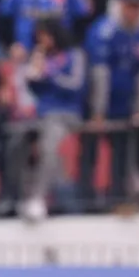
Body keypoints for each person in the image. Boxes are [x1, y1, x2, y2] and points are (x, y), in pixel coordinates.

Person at [83, 0, 139, 209]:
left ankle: (118, 196)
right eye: (129, 6)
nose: (132, 12)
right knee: (90, 150)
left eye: (137, 7)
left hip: (127, 102)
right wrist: (98, 110)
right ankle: (86, 199)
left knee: (123, 151)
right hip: (96, 100)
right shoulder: (104, 30)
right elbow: (99, 73)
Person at [17, 18, 86, 221]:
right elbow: (34, 89)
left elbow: (76, 85)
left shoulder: (74, 55)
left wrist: (50, 74)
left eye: (45, 35)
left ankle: (39, 198)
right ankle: (18, 196)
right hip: (42, 114)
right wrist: (32, 77)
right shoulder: (39, 56)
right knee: (16, 142)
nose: (43, 40)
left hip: (66, 114)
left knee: (49, 146)